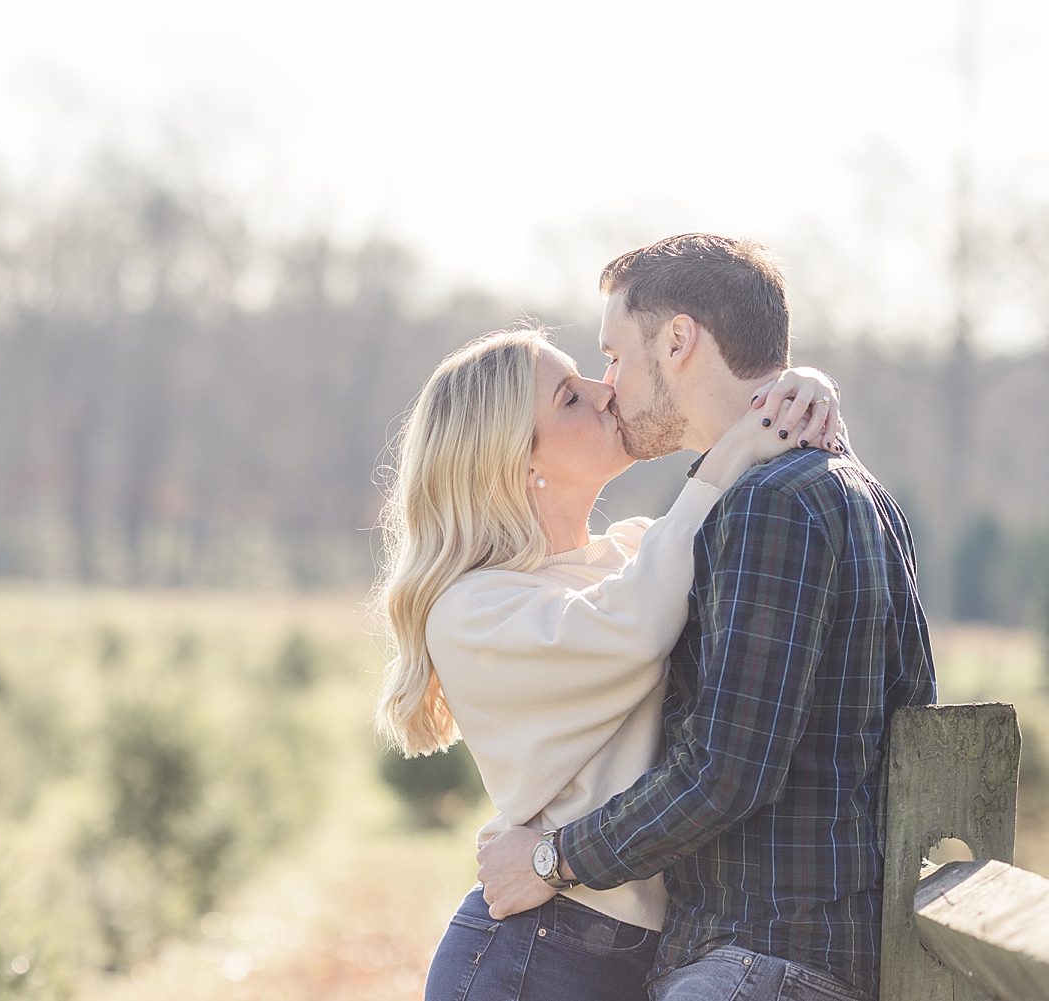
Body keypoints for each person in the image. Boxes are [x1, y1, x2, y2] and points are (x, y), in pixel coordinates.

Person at [474, 234, 936, 1001]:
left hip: (761, 962)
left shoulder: (772, 504)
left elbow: (726, 771)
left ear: (679, 340)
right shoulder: (849, 485)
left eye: (616, 356)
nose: (610, 387)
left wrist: (551, 857)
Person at [374, 316, 842, 997]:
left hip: (638, 953)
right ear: (516, 459)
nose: (604, 391)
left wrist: (805, 389)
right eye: (568, 396)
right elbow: (634, 626)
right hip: (535, 955)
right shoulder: (473, 609)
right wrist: (732, 451)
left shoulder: (634, 552)